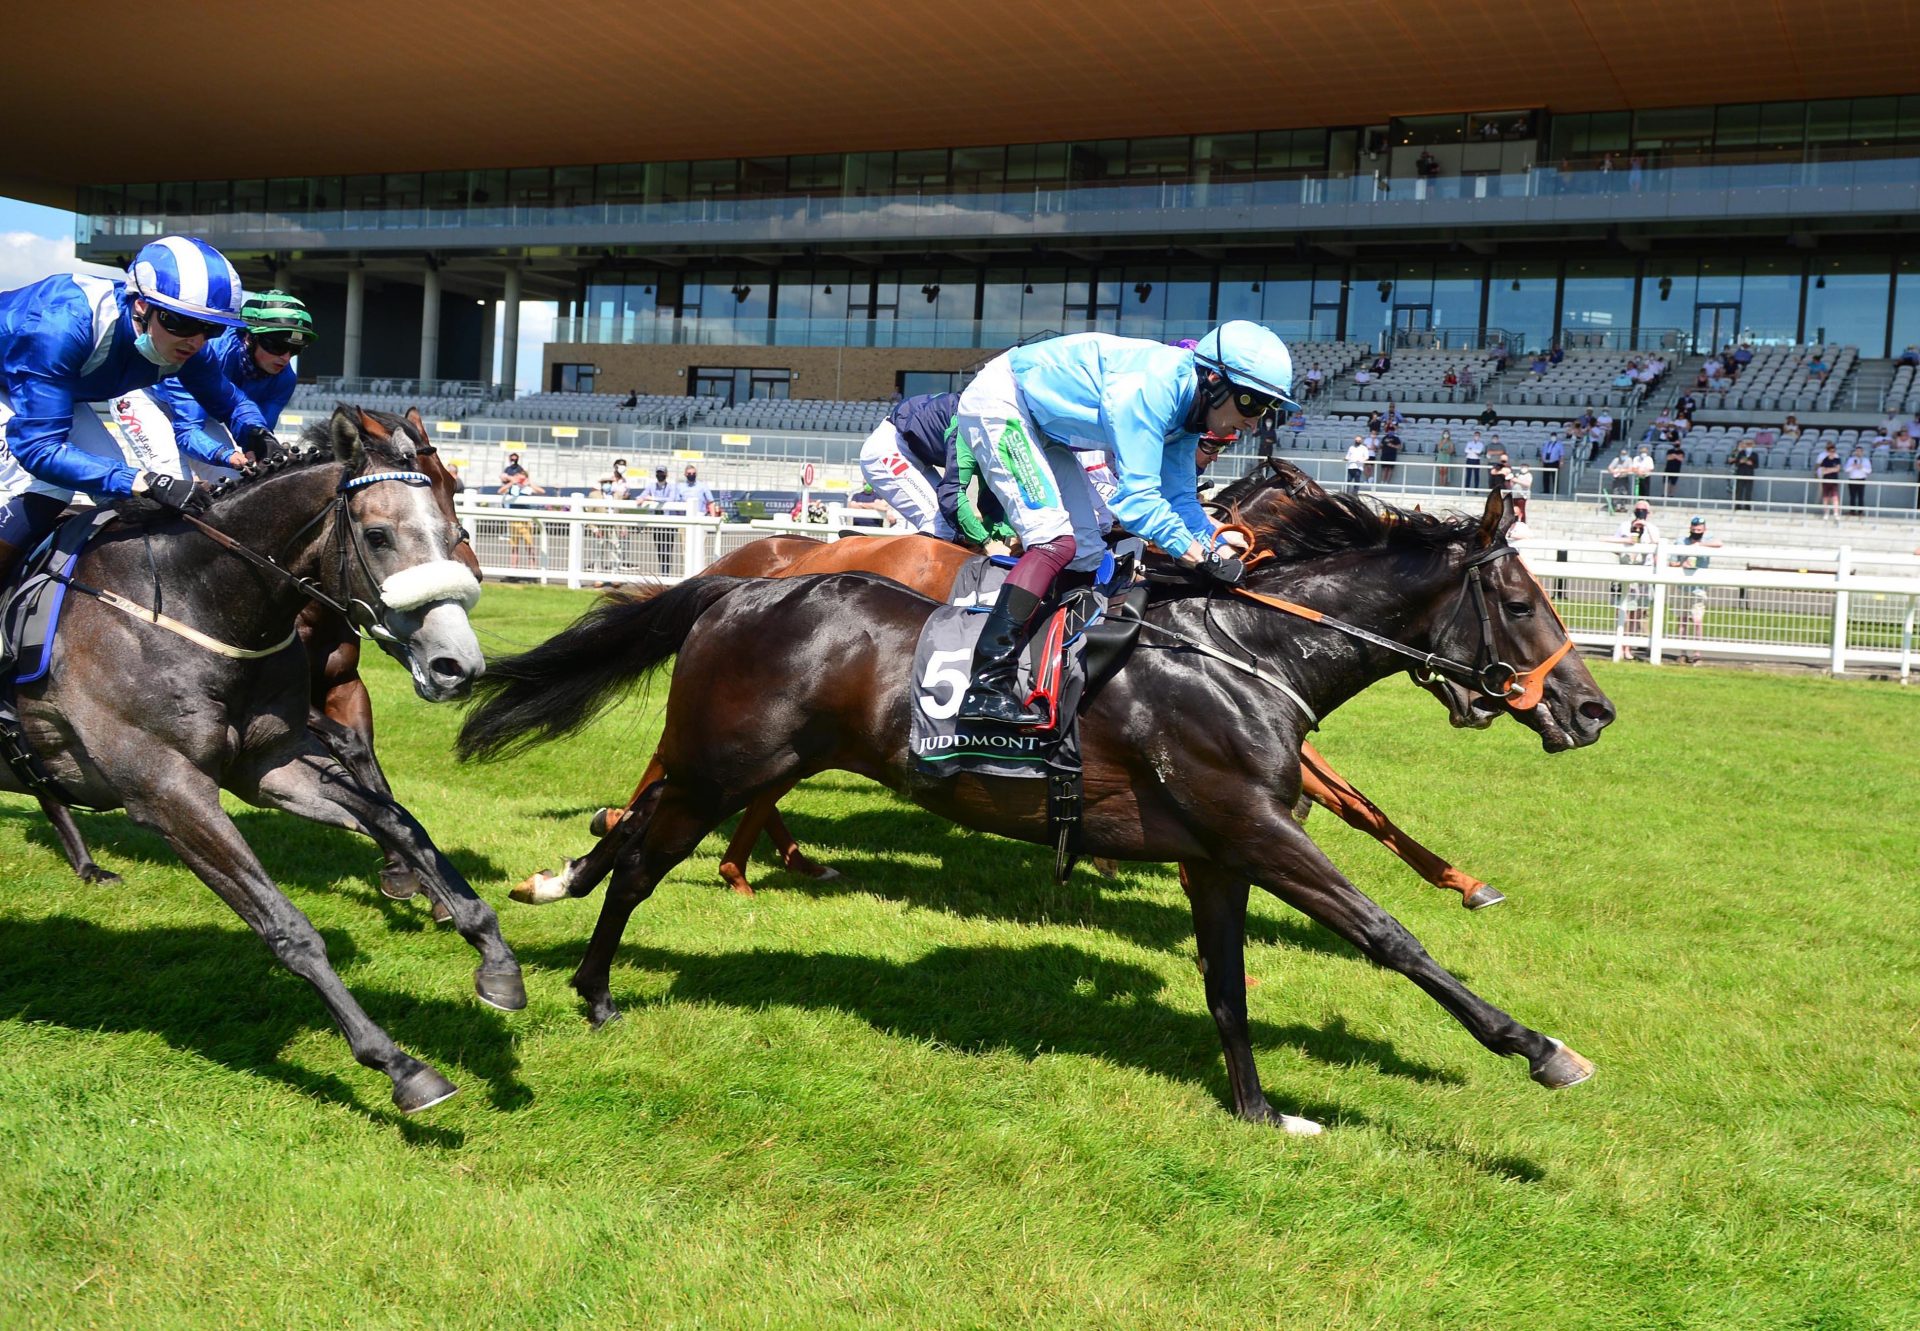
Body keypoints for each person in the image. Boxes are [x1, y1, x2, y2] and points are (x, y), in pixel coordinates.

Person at [952, 320, 1288, 724]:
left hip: (1046, 428)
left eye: (1265, 410)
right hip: (1002, 401)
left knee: (1086, 553)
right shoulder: (1153, 388)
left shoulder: (1190, 413)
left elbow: (1180, 501)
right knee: (1054, 541)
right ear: (1214, 380)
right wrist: (1201, 557)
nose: (1253, 422)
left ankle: (1047, 667)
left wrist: (1219, 549)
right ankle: (986, 685)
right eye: (1251, 403)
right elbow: (1137, 503)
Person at [0, 236, 278, 582]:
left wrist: (257, 434)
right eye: (182, 323)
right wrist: (146, 480)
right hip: (13, 381)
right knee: (52, 487)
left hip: (43, 388)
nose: (196, 340)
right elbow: (39, 449)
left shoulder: (188, 345)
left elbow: (231, 402)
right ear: (142, 305)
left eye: (211, 328)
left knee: (111, 489)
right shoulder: (60, 328)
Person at [115, 289, 314, 484]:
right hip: (147, 398)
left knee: (234, 480)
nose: (285, 358)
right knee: (175, 478)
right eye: (277, 346)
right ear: (249, 337)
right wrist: (226, 455)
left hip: (200, 413)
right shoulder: (210, 351)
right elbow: (187, 431)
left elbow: (254, 434)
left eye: (294, 350)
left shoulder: (285, 379)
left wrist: (266, 449)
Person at [1667, 515, 1722, 664]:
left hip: (1699, 588)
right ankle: (1682, 652)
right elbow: (1672, 562)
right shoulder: (1681, 541)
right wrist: (1681, 565)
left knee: (1697, 621)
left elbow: (1719, 543)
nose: (1696, 532)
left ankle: (1697, 653)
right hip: (1682, 587)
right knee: (1682, 620)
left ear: (1704, 530)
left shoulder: (1707, 540)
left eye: (1699, 530)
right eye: (1694, 529)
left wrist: (1699, 545)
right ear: (1690, 528)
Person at [1814, 442, 1842, 522]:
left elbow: (1838, 469)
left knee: (1835, 497)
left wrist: (1828, 470)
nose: (1832, 453)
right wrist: (1832, 469)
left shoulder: (1837, 459)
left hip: (1834, 480)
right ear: (1828, 451)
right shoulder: (1825, 460)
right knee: (1825, 497)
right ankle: (1826, 513)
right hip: (1826, 480)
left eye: (1834, 451)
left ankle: (1836, 513)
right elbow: (1823, 471)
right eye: (1831, 451)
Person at [1841, 444, 1872, 518]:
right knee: (1852, 496)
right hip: (1852, 479)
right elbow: (1846, 470)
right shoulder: (1851, 459)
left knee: (1861, 496)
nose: (1858, 453)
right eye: (1857, 451)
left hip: (1861, 479)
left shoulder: (1866, 460)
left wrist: (1861, 467)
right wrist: (1852, 466)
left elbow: (1869, 471)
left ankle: (1860, 511)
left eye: (1860, 451)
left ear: (1862, 452)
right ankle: (1852, 511)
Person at [1730, 438, 1759, 510]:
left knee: (1748, 491)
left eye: (1750, 444)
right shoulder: (1741, 453)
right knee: (1739, 490)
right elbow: (1736, 463)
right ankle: (1737, 506)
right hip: (1741, 473)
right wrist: (1740, 462)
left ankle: (1747, 506)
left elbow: (1756, 465)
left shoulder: (1755, 454)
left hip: (1749, 474)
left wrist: (1751, 464)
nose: (1748, 446)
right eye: (1747, 444)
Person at [1539, 431, 1565, 496]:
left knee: (1555, 477)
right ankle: (1546, 490)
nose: (1553, 437)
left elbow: (1561, 454)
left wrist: (1561, 462)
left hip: (1554, 462)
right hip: (1546, 462)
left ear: (1556, 437)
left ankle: (1555, 492)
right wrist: (1542, 461)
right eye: (1552, 436)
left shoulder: (1559, 444)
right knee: (1545, 477)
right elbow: (1543, 452)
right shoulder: (1546, 443)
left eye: (1554, 436)